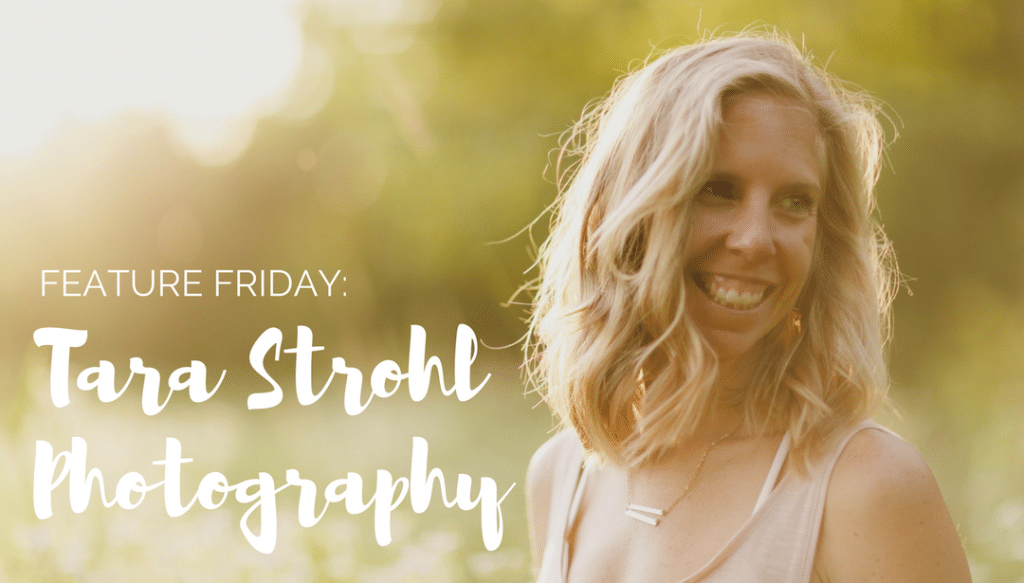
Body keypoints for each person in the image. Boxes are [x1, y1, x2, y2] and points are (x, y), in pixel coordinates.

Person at [524, 32, 972, 582]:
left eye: (794, 203)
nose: (756, 239)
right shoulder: (562, 477)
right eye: (717, 189)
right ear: (629, 216)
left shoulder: (866, 487)